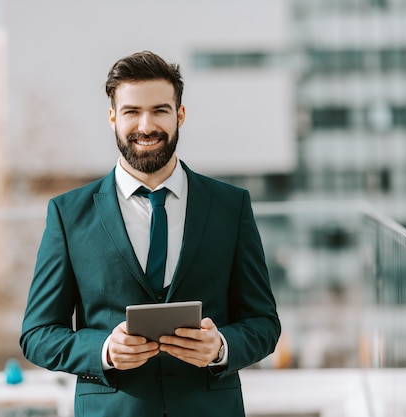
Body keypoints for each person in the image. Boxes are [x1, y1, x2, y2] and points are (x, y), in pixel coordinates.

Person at [20, 51, 280, 417]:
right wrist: (104, 351)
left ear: (180, 115)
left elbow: (264, 322)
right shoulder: (68, 214)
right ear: (112, 118)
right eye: (131, 112)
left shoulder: (230, 206)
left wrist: (221, 346)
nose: (146, 125)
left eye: (159, 110)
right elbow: (37, 334)